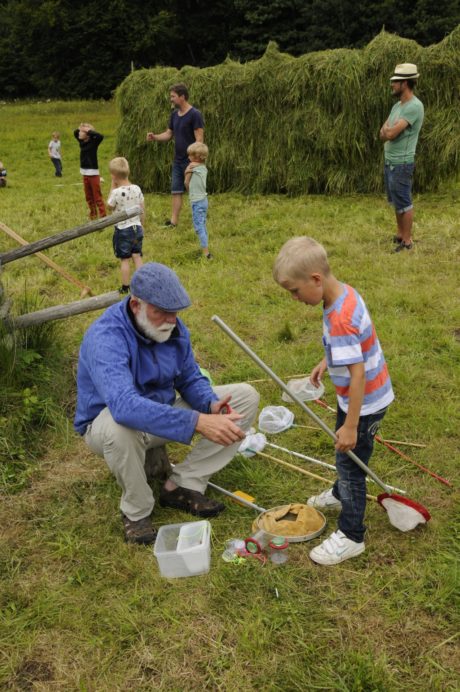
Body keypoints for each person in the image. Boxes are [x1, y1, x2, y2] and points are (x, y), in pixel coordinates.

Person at [74, 262, 259, 545]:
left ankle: (182, 485)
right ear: (136, 305)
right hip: (107, 426)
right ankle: (136, 513)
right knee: (118, 427)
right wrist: (197, 422)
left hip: (160, 414)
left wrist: (210, 405)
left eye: (175, 313)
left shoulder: (173, 327)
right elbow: (124, 406)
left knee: (246, 396)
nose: (170, 321)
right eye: (161, 312)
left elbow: (190, 378)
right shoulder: (106, 337)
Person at [273, 237, 394, 565]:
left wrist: (352, 425)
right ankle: (341, 494)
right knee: (345, 459)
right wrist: (329, 361)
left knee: (351, 465)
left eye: (295, 291)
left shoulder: (339, 319)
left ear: (315, 279)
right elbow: (354, 347)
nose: (295, 299)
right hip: (363, 397)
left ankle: (352, 535)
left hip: (364, 402)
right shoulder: (344, 295)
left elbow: (358, 375)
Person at [379, 63, 424, 252]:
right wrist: (389, 130)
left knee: (404, 202)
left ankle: (407, 241)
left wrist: (389, 131)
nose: (392, 85)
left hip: (402, 163)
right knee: (396, 201)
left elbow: (390, 134)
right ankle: (400, 234)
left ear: (404, 83)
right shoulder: (397, 106)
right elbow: (382, 132)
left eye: (395, 82)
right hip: (390, 162)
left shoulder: (414, 106)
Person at [146, 83, 204, 228]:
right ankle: (173, 222)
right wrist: (155, 137)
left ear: (182, 97)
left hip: (192, 162)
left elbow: (199, 139)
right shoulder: (174, 115)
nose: (170, 99)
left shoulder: (195, 114)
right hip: (177, 161)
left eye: (173, 96)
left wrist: (195, 161)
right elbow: (169, 134)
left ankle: (199, 220)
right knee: (176, 191)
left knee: (195, 192)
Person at [107, 157, 145, 294]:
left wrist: (112, 186)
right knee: (137, 256)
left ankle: (125, 287)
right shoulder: (136, 188)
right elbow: (142, 208)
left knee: (125, 259)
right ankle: (142, 283)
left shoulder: (116, 192)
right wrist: (142, 224)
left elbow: (109, 206)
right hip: (137, 228)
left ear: (113, 176)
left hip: (123, 230)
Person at [73, 122, 106, 220]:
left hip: (93, 174)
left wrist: (88, 130)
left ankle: (103, 217)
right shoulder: (82, 142)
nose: (79, 133)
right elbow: (75, 132)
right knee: (88, 197)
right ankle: (93, 214)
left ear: (88, 134)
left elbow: (100, 136)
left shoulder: (93, 143)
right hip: (85, 174)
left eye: (81, 132)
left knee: (97, 197)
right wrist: (81, 128)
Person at [184, 142, 211, 259]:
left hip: (197, 201)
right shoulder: (203, 167)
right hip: (203, 200)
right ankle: (205, 248)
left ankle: (206, 253)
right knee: (202, 225)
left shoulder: (191, 167)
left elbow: (186, 182)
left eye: (190, 155)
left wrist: (187, 171)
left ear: (197, 157)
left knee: (199, 227)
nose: (188, 157)